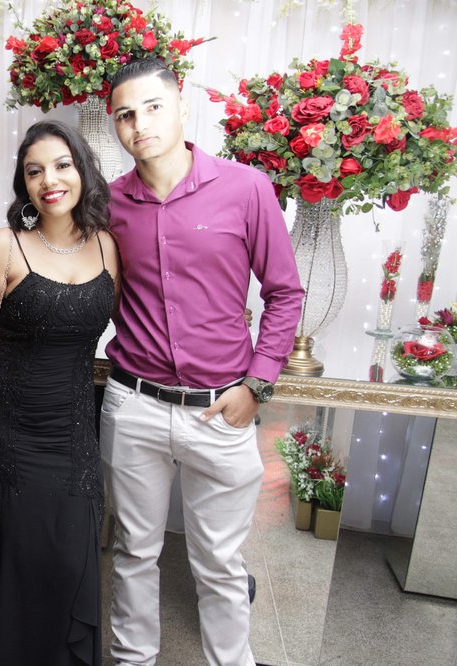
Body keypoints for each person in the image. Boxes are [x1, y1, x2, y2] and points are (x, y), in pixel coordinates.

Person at [100, 58, 304, 666]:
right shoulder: (106, 205)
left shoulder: (246, 189)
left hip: (222, 411)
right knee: (134, 552)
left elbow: (286, 291)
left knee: (218, 561)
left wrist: (258, 383)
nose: (140, 125)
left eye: (153, 107)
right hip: (133, 405)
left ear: (182, 105)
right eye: (125, 115)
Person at [0, 120, 120, 666]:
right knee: (11, 572)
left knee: (68, 565)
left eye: (62, 165)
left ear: (82, 171)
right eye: (34, 171)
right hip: (9, 441)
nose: (50, 179)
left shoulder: (108, 247)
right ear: (23, 185)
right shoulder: (6, 247)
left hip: (74, 441)